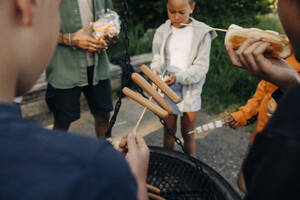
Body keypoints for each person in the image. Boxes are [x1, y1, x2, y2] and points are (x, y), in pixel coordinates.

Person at [0, 0, 149, 199]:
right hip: (66, 72)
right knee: (63, 118)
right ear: (26, 6)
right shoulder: (100, 167)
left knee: (103, 115)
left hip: (97, 68)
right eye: (55, 9)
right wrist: (135, 184)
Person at [226, 0, 300, 199]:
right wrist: (291, 86)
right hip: (260, 134)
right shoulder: (286, 67)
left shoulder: (288, 126)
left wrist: (289, 104)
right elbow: (259, 97)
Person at [224, 54, 300, 192]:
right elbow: (259, 99)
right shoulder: (281, 58)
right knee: (244, 182)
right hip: (260, 135)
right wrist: (241, 116)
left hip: (285, 148)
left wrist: (286, 110)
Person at [150, 0, 217, 155]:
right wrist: (155, 72)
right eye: (171, 11)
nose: (176, 17)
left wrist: (178, 77)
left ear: (192, 8)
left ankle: (191, 166)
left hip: (190, 87)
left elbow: (201, 67)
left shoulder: (202, 32)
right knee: (169, 131)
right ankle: (168, 165)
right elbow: (157, 59)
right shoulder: (162, 31)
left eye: (181, 12)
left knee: (188, 133)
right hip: (167, 86)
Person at [46, 0, 118, 137]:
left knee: (104, 117)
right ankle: (55, 157)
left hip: (98, 66)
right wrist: (70, 39)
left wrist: (110, 34)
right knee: (62, 123)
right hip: (64, 67)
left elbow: (110, 17)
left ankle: (105, 157)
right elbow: (37, 30)